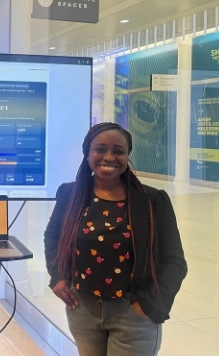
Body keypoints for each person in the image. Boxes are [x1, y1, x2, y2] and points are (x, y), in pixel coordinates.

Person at [44, 122, 186, 356]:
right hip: (83, 310)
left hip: (132, 312)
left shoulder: (152, 200)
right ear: (87, 154)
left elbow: (175, 262)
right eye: (100, 149)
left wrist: (148, 305)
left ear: (127, 156)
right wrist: (57, 277)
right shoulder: (70, 194)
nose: (109, 157)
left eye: (118, 151)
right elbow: (53, 237)